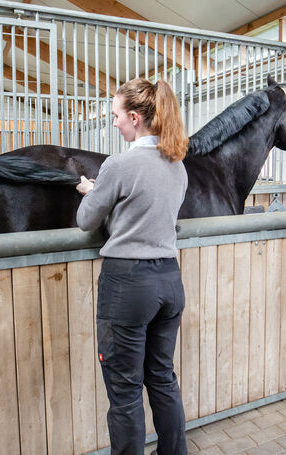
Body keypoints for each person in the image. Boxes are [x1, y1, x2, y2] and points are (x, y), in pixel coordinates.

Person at [76, 79, 188, 455]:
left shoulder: (119, 165)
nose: (114, 123)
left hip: (128, 284)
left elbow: (86, 220)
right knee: (162, 378)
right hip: (170, 282)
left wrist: (92, 192)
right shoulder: (177, 165)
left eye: (116, 116)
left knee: (124, 391)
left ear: (135, 118)